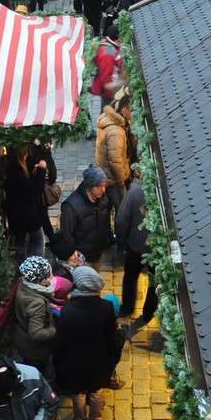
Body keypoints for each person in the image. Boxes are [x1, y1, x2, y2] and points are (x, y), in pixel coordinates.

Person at [52, 266, 119, 420]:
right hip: (99, 359)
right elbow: (112, 336)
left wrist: (58, 361)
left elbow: (61, 341)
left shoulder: (68, 311)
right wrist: (111, 356)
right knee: (96, 392)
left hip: (75, 361)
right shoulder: (107, 307)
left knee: (78, 393)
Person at [115, 179, 158, 324]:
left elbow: (122, 220)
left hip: (135, 246)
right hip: (158, 251)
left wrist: (123, 238)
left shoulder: (135, 193)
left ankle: (128, 307)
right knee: (154, 282)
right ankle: (149, 313)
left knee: (130, 276)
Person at [95, 94, 131, 239]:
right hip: (114, 180)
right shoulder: (116, 131)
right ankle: (120, 242)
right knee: (121, 211)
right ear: (124, 110)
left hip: (105, 175)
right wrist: (122, 179)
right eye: (132, 110)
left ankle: (107, 236)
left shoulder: (107, 120)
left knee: (106, 208)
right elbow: (114, 160)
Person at [14, 256, 57, 374]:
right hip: (35, 351)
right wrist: (54, 330)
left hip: (23, 339)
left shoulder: (23, 282)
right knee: (36, 375)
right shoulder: (37, 303)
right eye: (49, 276)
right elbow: (36, 333)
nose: (52, 277)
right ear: (39, 281)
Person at [60, 166, 111, 266]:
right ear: (89, 186)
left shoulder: (102, 197)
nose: (103, 190)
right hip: (82, 259)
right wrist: (73, 254)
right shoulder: (71, 206)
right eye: (99, 186)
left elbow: (106, 221)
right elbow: (66, 234)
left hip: (98, 253)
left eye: (104, 185)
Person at [4, 145, 47, 262]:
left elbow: (26, 186)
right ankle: (37, 270)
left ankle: (22, 269)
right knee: (39, 240)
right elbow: (36, 188)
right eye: (25, 152)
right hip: (27, 213)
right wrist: (42, 170)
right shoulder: (17, 172)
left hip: (15, 213)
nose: (27, 153)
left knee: (20, 240)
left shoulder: (11, 168)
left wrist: (33, 175)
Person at [27, 139, 58, 244]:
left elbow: (48, 156)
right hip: (35, 180)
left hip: (41, 179)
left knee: (42, 212)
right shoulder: (29, 145)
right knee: (42, 213)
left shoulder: (43, 137)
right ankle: (51, 240)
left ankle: (49, 239)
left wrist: (52, 174)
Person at [89, 24, 124, 109]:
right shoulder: (108, 53)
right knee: (108, 111)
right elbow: (106, 76)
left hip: (110, 87)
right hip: (109, 90)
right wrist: (112, 92)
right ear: (118, 38)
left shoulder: (110, 46)